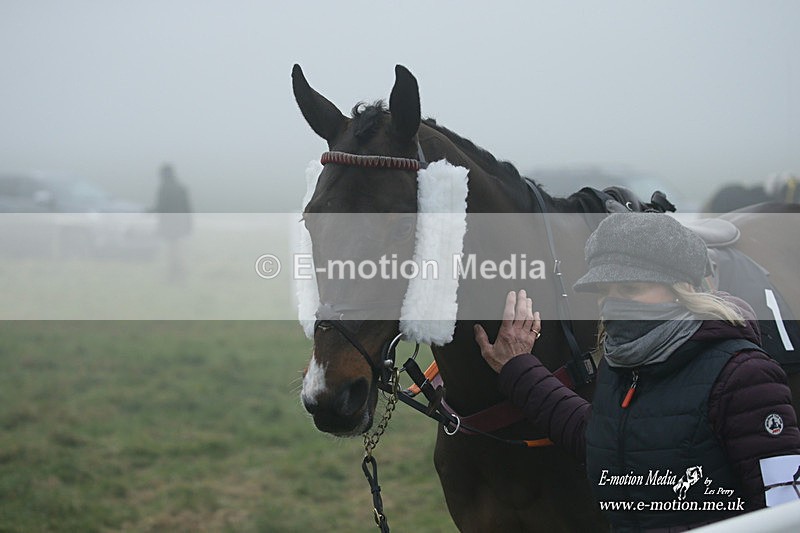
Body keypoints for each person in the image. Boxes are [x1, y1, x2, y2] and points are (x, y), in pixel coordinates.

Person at [474, 212, 800, 531]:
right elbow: (599, 438)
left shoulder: (744, 375)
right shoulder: (621, 367)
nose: (612, 304)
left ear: (682, 286)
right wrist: (519, 369)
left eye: (629, 289)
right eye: (604, 291)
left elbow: (784, 510)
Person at [151, 163, 193, 281]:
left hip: (169, 226)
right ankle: (180, 275)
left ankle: (175, 276)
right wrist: (189, 225)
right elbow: (187, 208)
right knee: (179, 250)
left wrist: (148, 211)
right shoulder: (181, 188)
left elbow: (161, 208)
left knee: (172, 252)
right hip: (181, 225)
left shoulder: (163, 189)